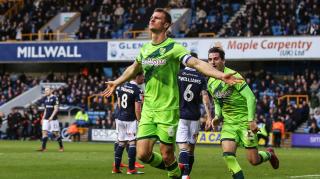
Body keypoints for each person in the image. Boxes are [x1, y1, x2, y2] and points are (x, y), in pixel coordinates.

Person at [103, 8, 242, 178]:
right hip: (148, 109)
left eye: (157, 18)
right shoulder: (145, 48)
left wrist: (221, 75)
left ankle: (174, 171)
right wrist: (117, 82)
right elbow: (134, 68)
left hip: (167, 110)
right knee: (142, 154)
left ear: (166, 25)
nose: (152, 20)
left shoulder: (174, 48)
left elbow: (197, 63)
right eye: (152, 17)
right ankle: (176, 171)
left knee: (167, 154)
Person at [206, 47, 279, 179]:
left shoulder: (234, 76)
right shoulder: (210, 81)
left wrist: (251, 120)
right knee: (228, 156)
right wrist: (217, 116)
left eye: (216, 59)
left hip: (245, 123)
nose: (212, 62)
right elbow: (217, 101)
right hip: (229, 124)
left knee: (254, 160)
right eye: (210, 59)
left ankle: (269, 154)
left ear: (223, 60)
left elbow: (250, 98)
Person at [176, 52, 212, 179]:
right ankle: (185, 175)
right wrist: (209, 116)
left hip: (180, 115)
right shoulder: (201, 77)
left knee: (183, 148)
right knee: (191, 148)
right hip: (195, 116)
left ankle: (184, 175)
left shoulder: (178, 74)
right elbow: (205, 98)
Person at [112, 72, 145, 174]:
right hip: (130, 120)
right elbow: (137, 110)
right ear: (137, 76)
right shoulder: (137, 90)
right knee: (132, 143)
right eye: (142, 76)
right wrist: (139, 121)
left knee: (121, 142)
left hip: (120, 117)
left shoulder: (121, 87)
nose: (143, 78)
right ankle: (131, 169)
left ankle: (116, 168)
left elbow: (118, 103)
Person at [38, 87, 64, 152]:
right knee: (44, 132)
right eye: (45, 91)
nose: (46, 92)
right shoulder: (46, 99)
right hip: (46, 119)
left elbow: (56, 109)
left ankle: (61, 147)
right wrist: (43, 118)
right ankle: (43, 148)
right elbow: (46, 109)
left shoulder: (55, 98)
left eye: (47, 90)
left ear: (51, 91)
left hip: (53, 119)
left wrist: (52, 117)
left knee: (56, 133)